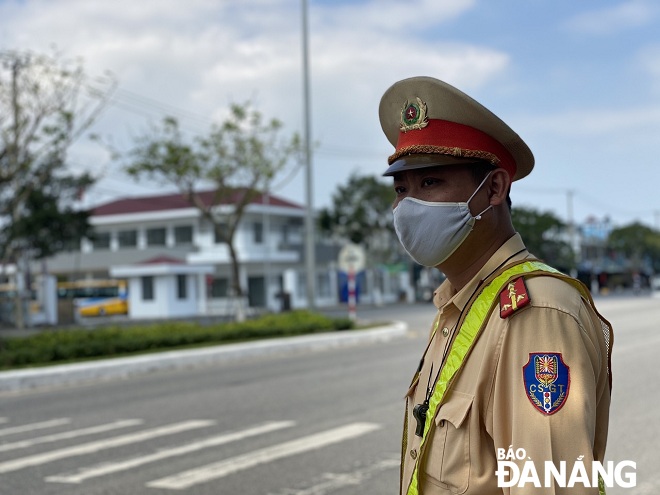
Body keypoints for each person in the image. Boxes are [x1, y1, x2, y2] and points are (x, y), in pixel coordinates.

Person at [379, 76, 613, 495]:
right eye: (401, 189)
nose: (408, 207)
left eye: (430, 183)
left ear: (494, 189)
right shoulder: (457, 306)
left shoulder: (536, 313)